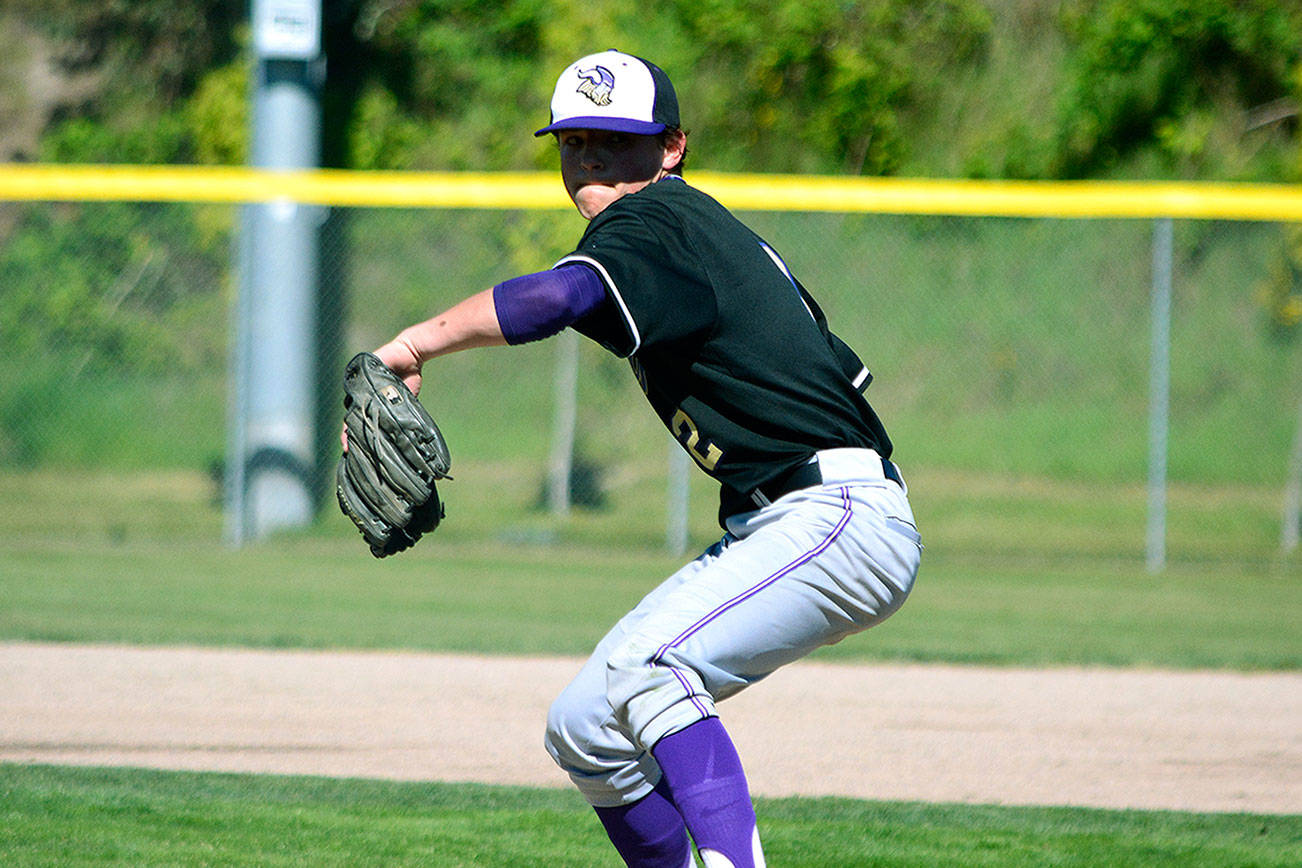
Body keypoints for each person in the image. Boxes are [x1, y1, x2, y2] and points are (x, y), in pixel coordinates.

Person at [367, 49, 922, 868]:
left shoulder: (652, 219)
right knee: (586, 726)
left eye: (615, 138)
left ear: (671, 148)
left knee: (649, 668)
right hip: (796, 518)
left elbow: (558, 298)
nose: (590, 155)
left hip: (832, 514)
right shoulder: (701, 232)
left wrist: (411, 345)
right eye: (574, 139)